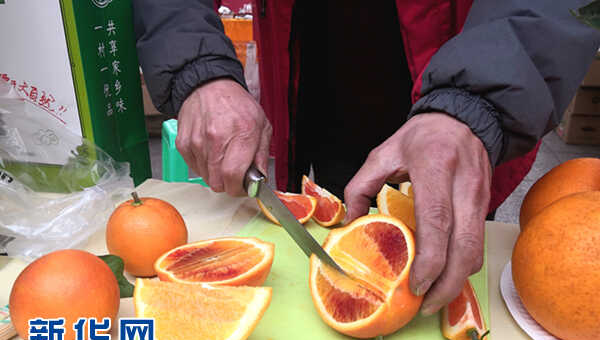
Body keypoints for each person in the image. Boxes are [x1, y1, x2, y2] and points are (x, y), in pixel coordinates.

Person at [133, 0, 600, 316]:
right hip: (314, 76)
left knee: (445, 233)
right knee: (338, 214)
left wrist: (478, 100)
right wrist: (195, 63)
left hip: (457, 94)